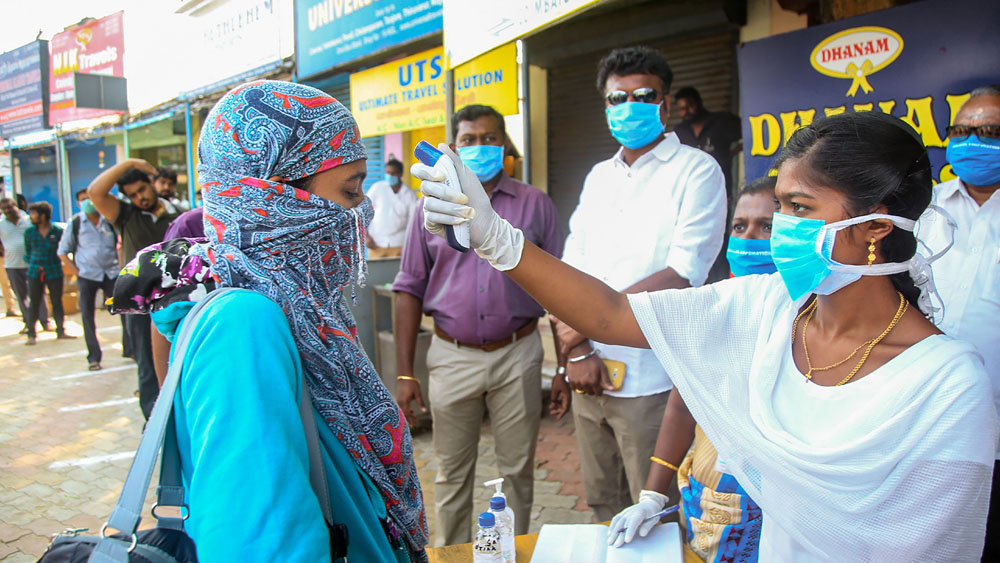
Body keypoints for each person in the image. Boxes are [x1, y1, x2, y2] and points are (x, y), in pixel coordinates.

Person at [414, 110, 996, 560]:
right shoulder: (766, 308)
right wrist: (495, 238)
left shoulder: (945, 386)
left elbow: (928, 550)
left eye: (798, 208)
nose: (780, 230)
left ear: (872, 226)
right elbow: (612, 314)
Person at [108, 80, 428, 562]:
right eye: (351, 189)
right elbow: (264, 546)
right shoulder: (244, 323)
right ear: (274, 197)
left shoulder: (293, 301)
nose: (362, 210)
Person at [549, 46, 726, 523]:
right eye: (616, 98)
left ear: (664, 104)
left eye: (642, 95)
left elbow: (683, 273)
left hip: (653, 379)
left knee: (654, 512)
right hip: (590, 373)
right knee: (604, 505)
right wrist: (579, 349)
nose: (628, 106)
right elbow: (570, 269)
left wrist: (593, 322)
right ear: (605, 107)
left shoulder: (696, 171)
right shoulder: (597, 177)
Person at [393, 103, 564, 546]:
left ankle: (513, 552)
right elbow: (408, 286)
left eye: (489, 138)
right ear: (453, 147)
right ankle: (451, 554)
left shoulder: (535, 204)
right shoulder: (430, 209)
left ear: (505, 145)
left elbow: (562, 290)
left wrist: (565, 364)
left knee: (517, 472)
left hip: (518, 353)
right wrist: (406, 372)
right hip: (452, 355)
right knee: (450, 474)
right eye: (468, 140)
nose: (480, 147)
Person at [608, 177, 777, 562]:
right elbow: (682, 407)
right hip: (704, 504)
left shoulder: (815, 319)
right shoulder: (714, 309)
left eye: (767, 226)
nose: (749, 236)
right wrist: (652, 497)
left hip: (773, 520)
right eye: (740, 226)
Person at [914, 84, 1000, 561]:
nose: (972, 141)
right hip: (922, 423)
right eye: (962, 130)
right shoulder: (925, 209)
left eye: (989, 132)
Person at [88, 160, 180, 419]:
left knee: (178, 360)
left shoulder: (178, 214)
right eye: (132, 195)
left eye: (142, 190)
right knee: (147, 365)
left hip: (176, 302)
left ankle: (178, 416)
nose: (140, 198)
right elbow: (96, 192)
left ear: (152, 183)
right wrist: (130, 163)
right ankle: (153, 421)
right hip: (141, 308)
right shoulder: (126, 216)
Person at [58, 189, 120, 370]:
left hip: (111, 273)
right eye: (83, 200)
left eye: (89, 199)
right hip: (87, 276)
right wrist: (76, 272)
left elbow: (120, 242)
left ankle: (130, 348)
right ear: (78, 203)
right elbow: (62, 251)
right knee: (87, 316)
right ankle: (94, 356)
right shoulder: (76, 223)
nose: (87, 202)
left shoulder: (108, 220)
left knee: (126, 312)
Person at [673, 86, 742, 193]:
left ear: (700, 103)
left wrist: (732, 153)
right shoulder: (679, 131)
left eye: (690, 106)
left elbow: (749, 134)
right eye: (682, 109)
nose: (686, 111)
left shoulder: (722, 121)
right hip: (692, 190)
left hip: (721, 187)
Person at [23, 202, 74, 345]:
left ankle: (61, 331)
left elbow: (64, 248)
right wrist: (35, 264)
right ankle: (31, 334)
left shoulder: (57, 231)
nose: (30, 217)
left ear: (43, 215)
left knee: (57, 301)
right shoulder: (29, 232)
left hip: (54, 272)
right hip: (34, 273)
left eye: (33, 214)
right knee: (34, 302)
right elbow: (28, 252)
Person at [0, 197, 50, 332]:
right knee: (22, 296)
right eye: (4, 209)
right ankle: (29, 324)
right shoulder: (1, 224)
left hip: (32, 265)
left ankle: (45, 322)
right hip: (12, 265)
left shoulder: (29, 221)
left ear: (16, 206)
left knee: (39, 293)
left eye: (9, 207)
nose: (7, 211)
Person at [366, 157, 417, 258]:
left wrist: (408, 245)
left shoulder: (410, 195)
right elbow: (364, 211)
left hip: (399, 246)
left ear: (400, 174)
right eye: (388, 173)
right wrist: (365, 236)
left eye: (393, 173)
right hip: (376, 243)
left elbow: (414, 223)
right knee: (376, 273)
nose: (390, 176)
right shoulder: (377, 188)